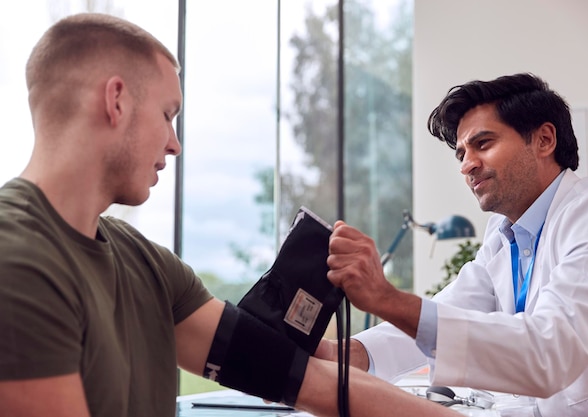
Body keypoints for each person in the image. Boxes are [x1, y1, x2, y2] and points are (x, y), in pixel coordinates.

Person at [0, 13, 464, 417]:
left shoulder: (147, 265)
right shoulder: (17, 263)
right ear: (116, 100)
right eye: (167, 114)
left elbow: (312, 382)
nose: (174, 144)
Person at [323, 73, 588, 416]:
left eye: (483, 144)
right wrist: (345, 354)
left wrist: (384, 298)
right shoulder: (502, 232)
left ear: (544, 140)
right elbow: (453, 310)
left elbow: (549, 352)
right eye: (461, 154)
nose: (467, 165)